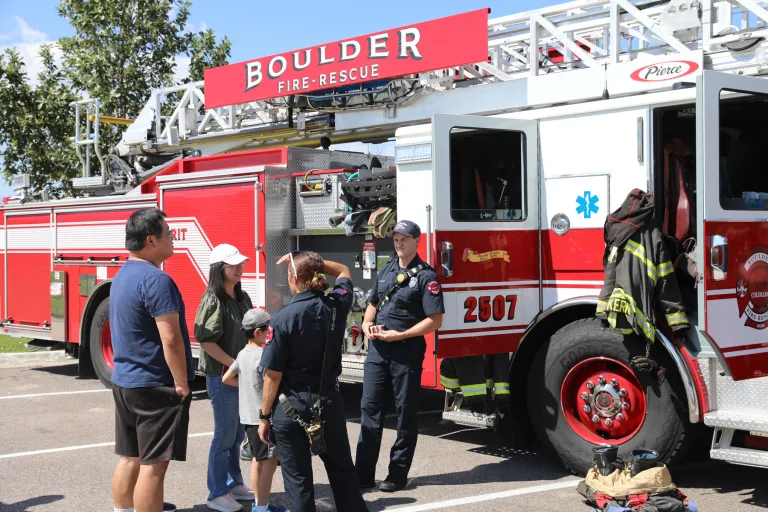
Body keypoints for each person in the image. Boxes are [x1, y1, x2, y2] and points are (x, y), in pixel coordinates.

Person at [258, 251, 369, 512]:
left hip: (290, 407)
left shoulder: (282, 318)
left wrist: (264, 415)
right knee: (342, 472)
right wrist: (310, 260)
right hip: (328, 401)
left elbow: (273, 375)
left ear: (293, 279)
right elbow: (342, 270)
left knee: (298, 481)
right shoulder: (336, 304)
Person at [109, 208, 194, 512]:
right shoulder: (157, 280)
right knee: (154, 467)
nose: (173, 237)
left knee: (130, 457)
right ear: (151, 240)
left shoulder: (122, 275)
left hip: (124, 381)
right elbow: (170, 338)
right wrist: (182, 383)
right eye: (168, 233)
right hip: (153, 384)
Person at [355, 220, 445, 493]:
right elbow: (372, 304)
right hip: (378, 352)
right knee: (369, 409)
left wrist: (401, 335)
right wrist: (367, 324)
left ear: (417, 240)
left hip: (405, 352)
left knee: (405, 412)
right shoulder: (386, 271)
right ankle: (363, 476)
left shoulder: (427, 277)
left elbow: (435, 320)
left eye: (404, 238)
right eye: (395, 238)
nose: (399, 243)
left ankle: (397, 475)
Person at [194, 244, 256, 512]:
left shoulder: (242, 297)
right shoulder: (213, 299)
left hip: (239, 378)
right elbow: (206, 341)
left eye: (241, 262)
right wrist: (235, 364)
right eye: (233, 264)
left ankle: (233, 482)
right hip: (222, 378)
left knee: (237, 432)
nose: (240, 267)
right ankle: (217, 492)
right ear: (220, 269)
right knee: (224, 435)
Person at [222, 308, 287, 512]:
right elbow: (273, 380)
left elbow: (226, 378)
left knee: (257, 461)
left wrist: (246, 385)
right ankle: (261, 507)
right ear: (258, 332)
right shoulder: (263, 355)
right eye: (267, 328)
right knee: (268, 462)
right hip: (263, 418)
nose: (270, 331)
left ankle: (261, 505)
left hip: (248, 417)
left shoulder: (242, 353)